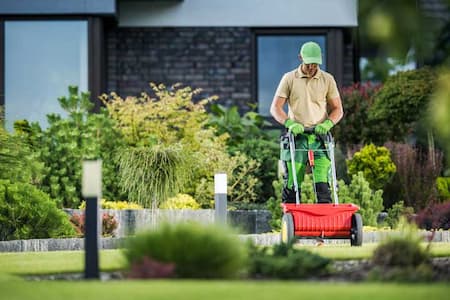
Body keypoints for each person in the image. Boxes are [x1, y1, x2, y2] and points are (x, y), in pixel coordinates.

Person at [270, 41, 343, 203]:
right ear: (300, 58)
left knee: (323, 181)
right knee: (293, 181)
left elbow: (338, 109)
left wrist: (327, 124)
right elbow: (275, 108)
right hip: (297, 137)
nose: (312, 67)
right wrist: (289, 123)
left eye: (315, 64)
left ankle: (324, 221)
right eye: (309, 63)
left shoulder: (327, 79)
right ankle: (289, 220)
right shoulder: (289, 79)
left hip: (320, 138)